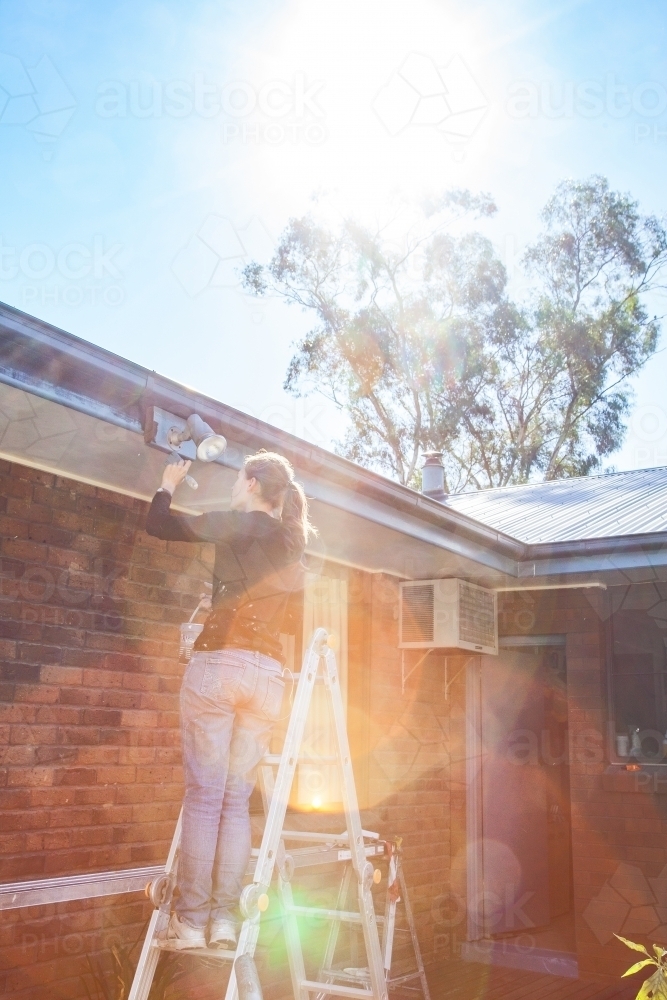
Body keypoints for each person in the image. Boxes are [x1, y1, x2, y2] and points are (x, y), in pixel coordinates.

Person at [145, 449, 316, 950]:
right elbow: (295, 623)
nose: (236, 487)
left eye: (240, 479)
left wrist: (168, 482)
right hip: (268, 676)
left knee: (206, 796)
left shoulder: (234, 524)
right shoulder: (292, 545)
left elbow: (159, 524)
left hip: (221, 663)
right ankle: (224, 922)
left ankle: (192, 923)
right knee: (237, 801)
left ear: (252, 483)